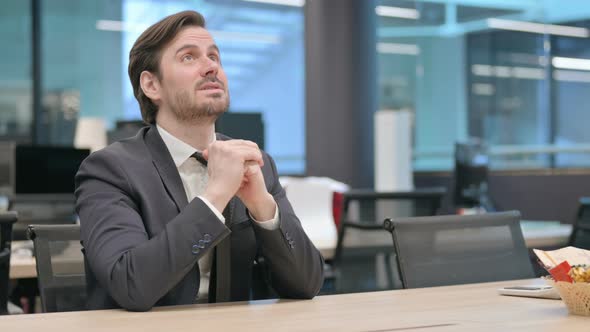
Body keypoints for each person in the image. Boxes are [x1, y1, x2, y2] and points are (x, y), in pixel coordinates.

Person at [75, 10, 324, 311]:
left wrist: (261, 205)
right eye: (189, 57)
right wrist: (216, 194)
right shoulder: (109, 170)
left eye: (214, 57)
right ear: (152, 85)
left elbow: (307, 284)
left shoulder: (256, 163)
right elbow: (132, 286)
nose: (210, 68)